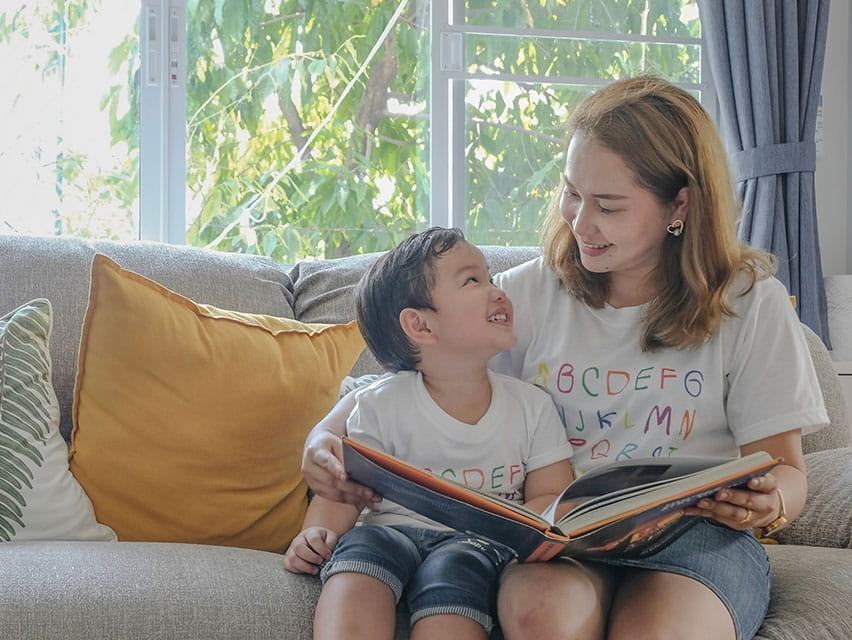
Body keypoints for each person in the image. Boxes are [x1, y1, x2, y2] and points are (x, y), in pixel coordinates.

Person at [298, 75, 829, 640]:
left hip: (694, 538)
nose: (580, 223)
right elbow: (411, 375)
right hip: (561, 538)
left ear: (680, 204)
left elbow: (786, 473)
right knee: (536, 611)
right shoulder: (529, 293)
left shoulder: (748, 303)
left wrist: (769, 504)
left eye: (609, 206)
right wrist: (322, 437)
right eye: (572, 193)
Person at [283, 227, 575, 639]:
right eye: (473, 280)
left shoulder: (532, 405)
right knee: (359, 559)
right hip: (387, 533)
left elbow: (553, 495)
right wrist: (315, 536)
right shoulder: (379, 404)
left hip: (475, 545)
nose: (497, 290)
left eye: (490, 278)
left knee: (455, 569)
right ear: (420, 325)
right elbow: (346, 493)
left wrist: (528, 527)